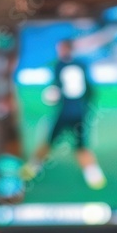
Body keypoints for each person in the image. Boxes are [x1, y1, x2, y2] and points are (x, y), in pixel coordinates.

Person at [23, 39, 107, 190]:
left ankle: (32, 168)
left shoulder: (59, 66)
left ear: (64, 49)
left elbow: (57, 89)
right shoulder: (81, 64)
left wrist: (54, 95)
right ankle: (94, 176)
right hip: (80, 111)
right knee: (81, 146)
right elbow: (91, 91)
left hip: (65, 111)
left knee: (50, 141)